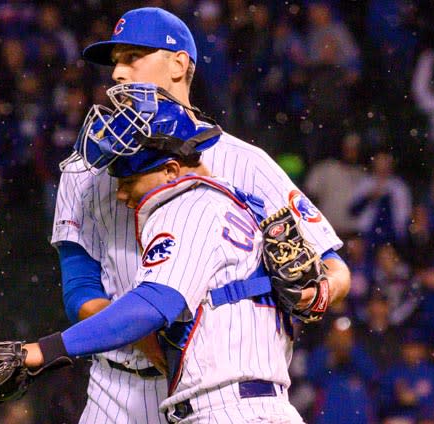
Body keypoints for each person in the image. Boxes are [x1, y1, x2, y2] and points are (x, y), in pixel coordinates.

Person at [51, 7, 351, 423]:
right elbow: (80, 290)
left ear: (179, 64)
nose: (118, 73)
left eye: (133, 57)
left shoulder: (245, 161)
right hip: (116, 388)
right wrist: (153, 343)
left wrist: (319, 291)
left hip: (219, 391)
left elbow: (334, 267)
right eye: (114, 61)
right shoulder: (85, 168)